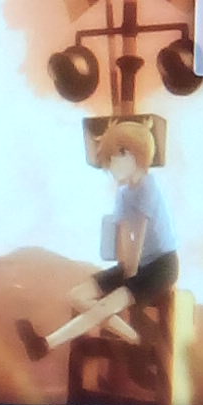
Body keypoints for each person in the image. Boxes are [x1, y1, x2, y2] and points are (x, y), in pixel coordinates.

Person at [19, 117, 178, 366]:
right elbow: (124, 236)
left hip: (160, 266)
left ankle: (45, 345)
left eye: (112, 160)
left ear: (130, 154)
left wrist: (127, 277)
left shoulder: (148, 188)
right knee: (77, 296)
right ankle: (139, 342)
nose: (110, 168)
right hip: (135, 265)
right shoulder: (123, 194)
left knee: (104, 306)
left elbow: (138, 236)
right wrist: (123, 270)